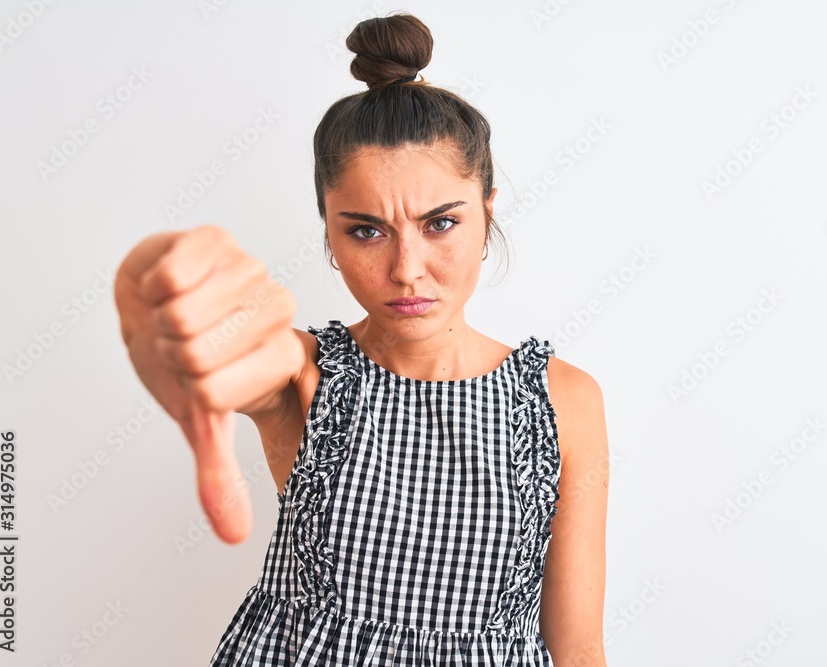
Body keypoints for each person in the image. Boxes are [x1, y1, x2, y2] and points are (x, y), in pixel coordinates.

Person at [114, 12, 608, 666]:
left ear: (486, 210)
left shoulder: (564, 401)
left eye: (440, 223)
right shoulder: (302, 374)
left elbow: (576, 647)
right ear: (329, 230)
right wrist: (156, 277)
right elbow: (226, 344)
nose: (406, 268)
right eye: (366, 230)